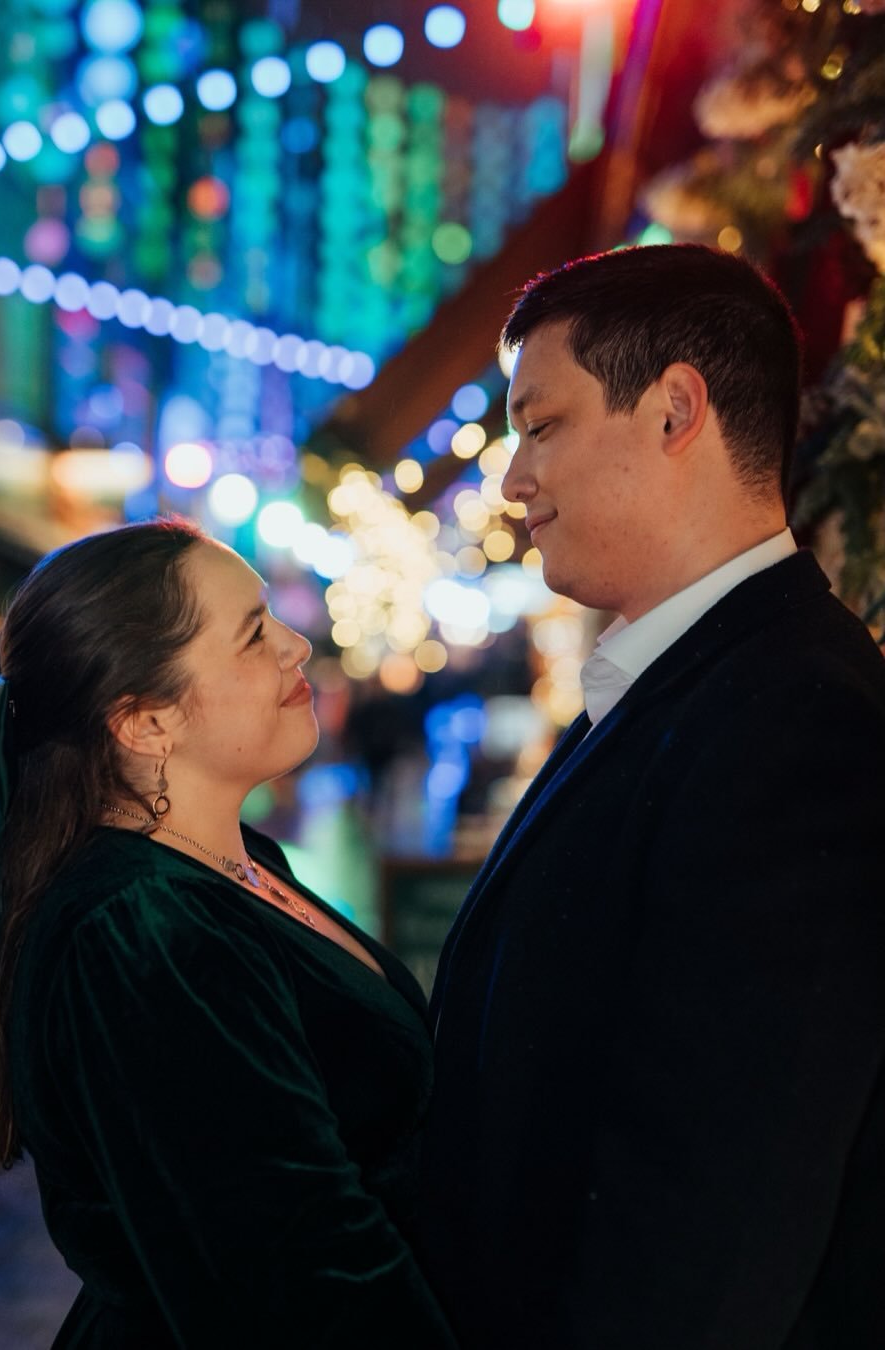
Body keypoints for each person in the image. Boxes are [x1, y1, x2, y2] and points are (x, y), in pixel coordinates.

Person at [418, 243, 885, 1348]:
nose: (514, 479)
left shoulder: (792, 719)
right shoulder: (684, 678)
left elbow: (718, 1213)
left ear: (677, 409)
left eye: (542, 425)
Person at [0, 519, 457, 1348]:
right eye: (254, 636)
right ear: (144, 723)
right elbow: (295, 1268)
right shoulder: (140, 928)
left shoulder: (235, 861)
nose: (295, 646)